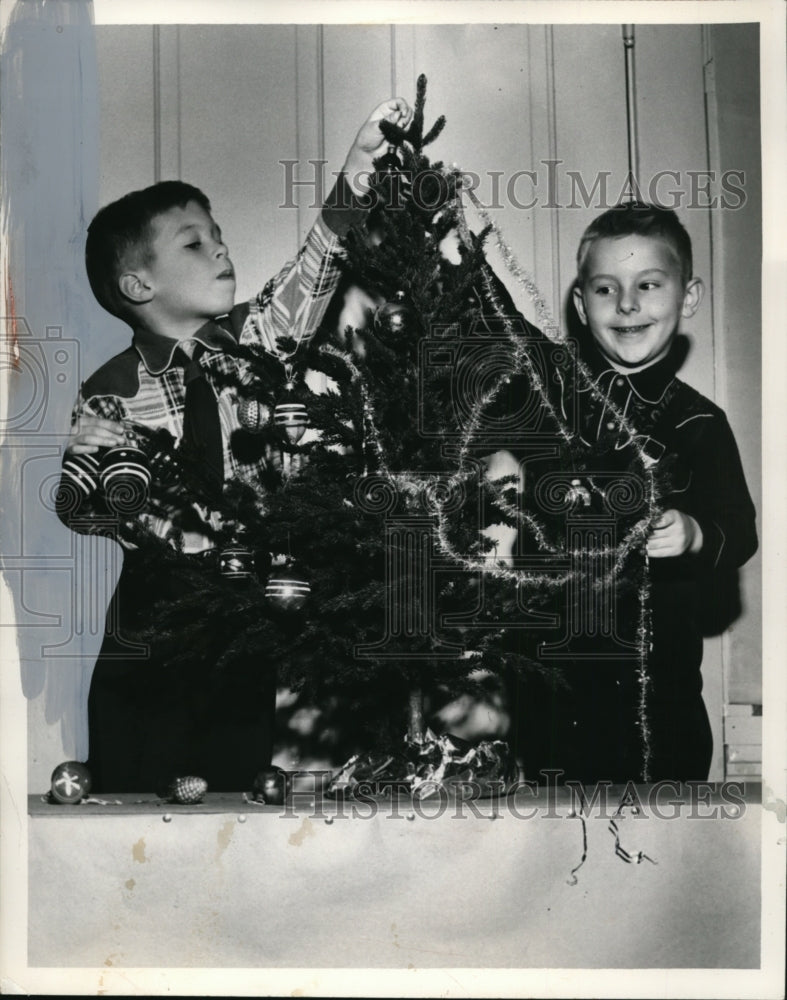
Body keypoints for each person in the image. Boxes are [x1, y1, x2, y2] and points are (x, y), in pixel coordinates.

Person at [56, 98, 412, 793]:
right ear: (138, 284)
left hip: (245, 607)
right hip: (154, 611)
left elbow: (320, 263)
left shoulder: (256, 344)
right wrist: (88, 469)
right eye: (193, 242)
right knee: (134, 783)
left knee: (232, 784)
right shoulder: (109, 392)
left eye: (217, 234)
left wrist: (359, 165)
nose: (220, 247)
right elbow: (85, 514)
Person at [490, 202, 758, 783]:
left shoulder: (699, 422)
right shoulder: (551, 395)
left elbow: (740, 528)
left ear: (688, 298)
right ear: (582, 307)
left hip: (659, 699)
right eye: (607, 289)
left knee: (660, 858)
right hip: (549, 692)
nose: (628, 304)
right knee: (546, 849)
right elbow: (493, 320)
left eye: (649, 285)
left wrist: (693, 533)